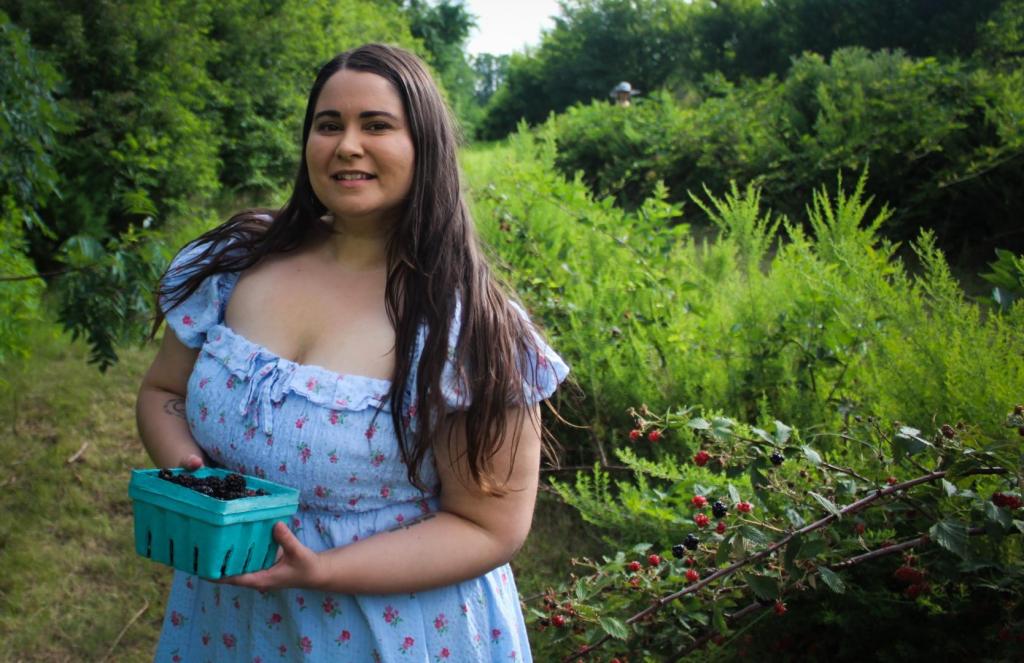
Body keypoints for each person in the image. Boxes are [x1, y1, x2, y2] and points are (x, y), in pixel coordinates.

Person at [136, 43, 569, 662]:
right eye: (328, 124)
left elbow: (490, 527)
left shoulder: (468, 328)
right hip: (228, 619)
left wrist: (322, 570)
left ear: (426, 145)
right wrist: (196, 479)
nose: (346, 146)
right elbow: (164, 392)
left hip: (394, 632)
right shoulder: (233, 264)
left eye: (377, 125)